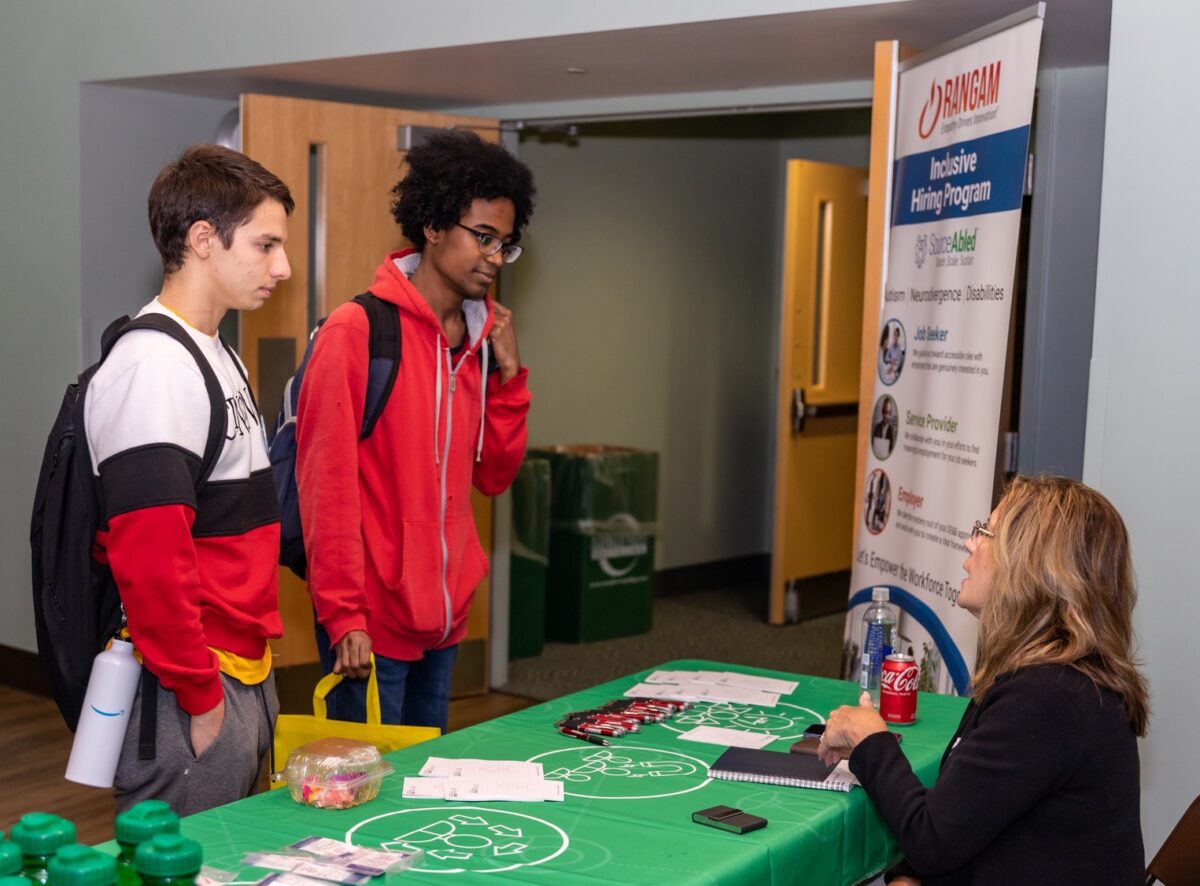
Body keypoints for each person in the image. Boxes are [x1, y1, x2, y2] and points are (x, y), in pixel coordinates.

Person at [296, 130, 534, 731]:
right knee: (364, 795)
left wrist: (509, 379)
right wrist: (343, 615)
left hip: (446, 618)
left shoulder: (479, 341)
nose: (494, 257)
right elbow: (327, 488)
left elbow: (494, 477)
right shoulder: (357, 331)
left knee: (421, 790)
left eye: (506, 244)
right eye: (482, 237)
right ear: (431, 225)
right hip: (371, 624)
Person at [84, 145, 293, 813]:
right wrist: (201, 697)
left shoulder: (216, 351)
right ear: (204, 239)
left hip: (240, 668)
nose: (282, 268)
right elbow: (151, 557)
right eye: (265, 245)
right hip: (190, 688)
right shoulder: (152, 366)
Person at [820, 475, 1148, 884]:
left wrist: (870, 739)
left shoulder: (1048, 698)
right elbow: (970, 814)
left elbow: (933, 838)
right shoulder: (1049, 678)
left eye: (986, 532)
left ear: (1029, 565)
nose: (970, 543)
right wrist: (908, 876)